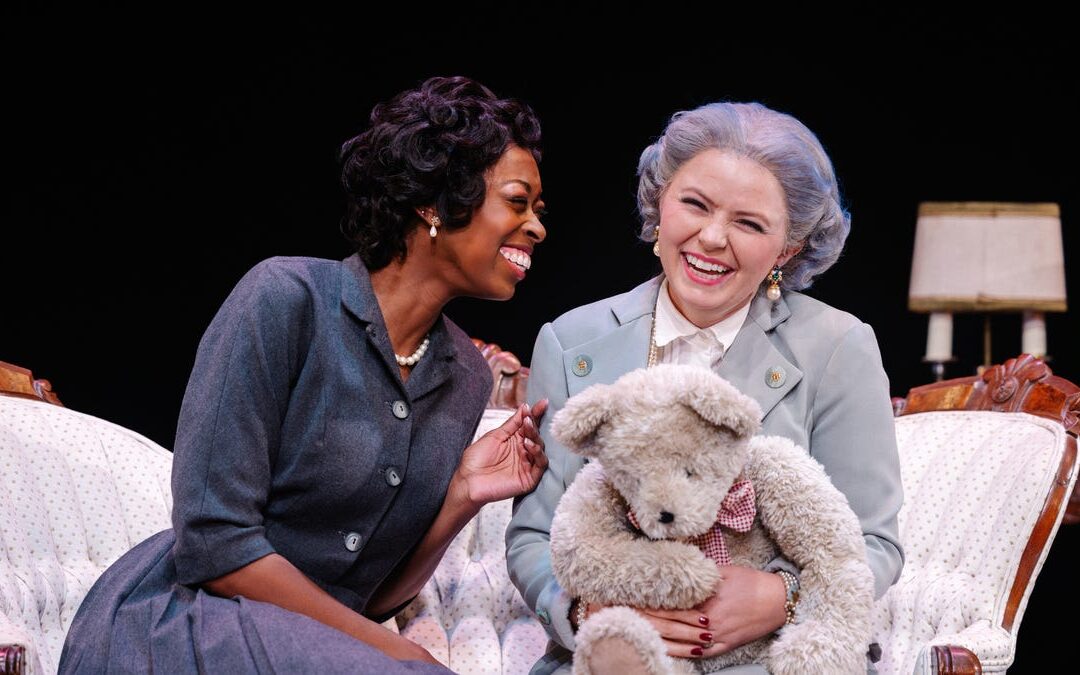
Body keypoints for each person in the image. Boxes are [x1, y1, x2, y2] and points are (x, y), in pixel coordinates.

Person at [59, 75, 549, 674]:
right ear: (435, 201)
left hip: (312, 648)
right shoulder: (286, 300)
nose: (537, 227)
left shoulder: (465, 376)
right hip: (184, 623)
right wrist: (395, 651)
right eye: (518, 202)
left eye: (537, 211)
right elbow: (215, 544)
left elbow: (371, 596)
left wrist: (461, 496)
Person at [506, 101, 903, 674]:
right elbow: (535, 536)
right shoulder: (570, 342)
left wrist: (779, 598)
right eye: (694, 204)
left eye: (749, 223)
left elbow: (874, 541)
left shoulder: (839, 347)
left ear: (787, 250)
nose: (712, 237)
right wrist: (583, 613)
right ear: (660, 205)